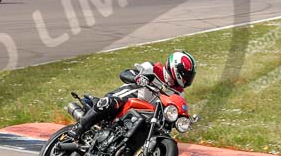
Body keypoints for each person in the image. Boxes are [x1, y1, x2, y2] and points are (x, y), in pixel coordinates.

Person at [68, 51, 197, 139]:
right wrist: (137, 77)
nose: (188, 79)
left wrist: (182, 118)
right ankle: (79, 128)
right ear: (177, 69)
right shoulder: (152, 68)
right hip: (130, 98)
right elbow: (125, 73)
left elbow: (176, 108)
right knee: (110, 102)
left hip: (147, 114)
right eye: (187, 75)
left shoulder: (178, 92)